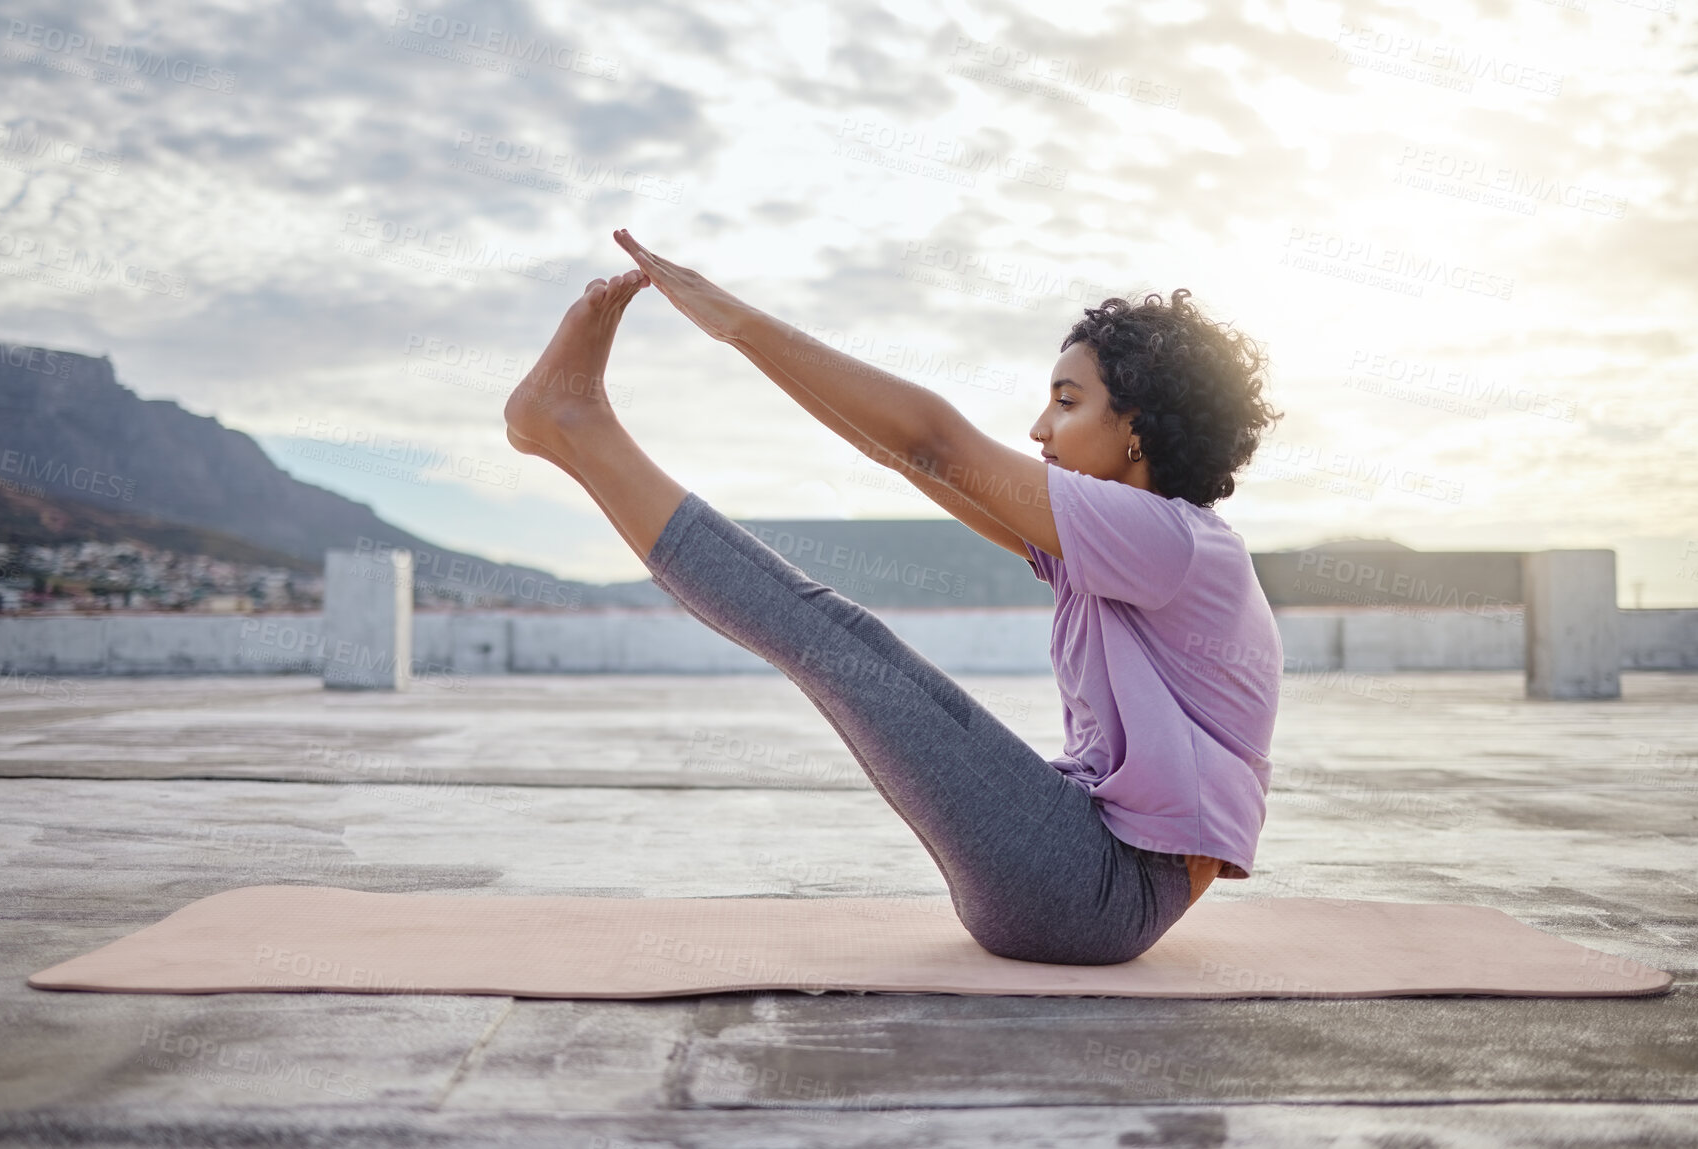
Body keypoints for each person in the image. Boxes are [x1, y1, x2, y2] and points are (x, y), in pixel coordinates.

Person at [503, 229, 1281, 966]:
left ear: (1138, 429)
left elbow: (933, 442)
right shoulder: (1136, 544)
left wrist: (738, 323)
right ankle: (571, 431)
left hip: (1095, 890)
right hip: (1081, 877)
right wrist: (749, 344)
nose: (1040, 426)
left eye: (1067, 402)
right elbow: (915, 459)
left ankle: (579, 428)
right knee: (838, 643)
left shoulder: (1174, 544)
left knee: (841, 640)